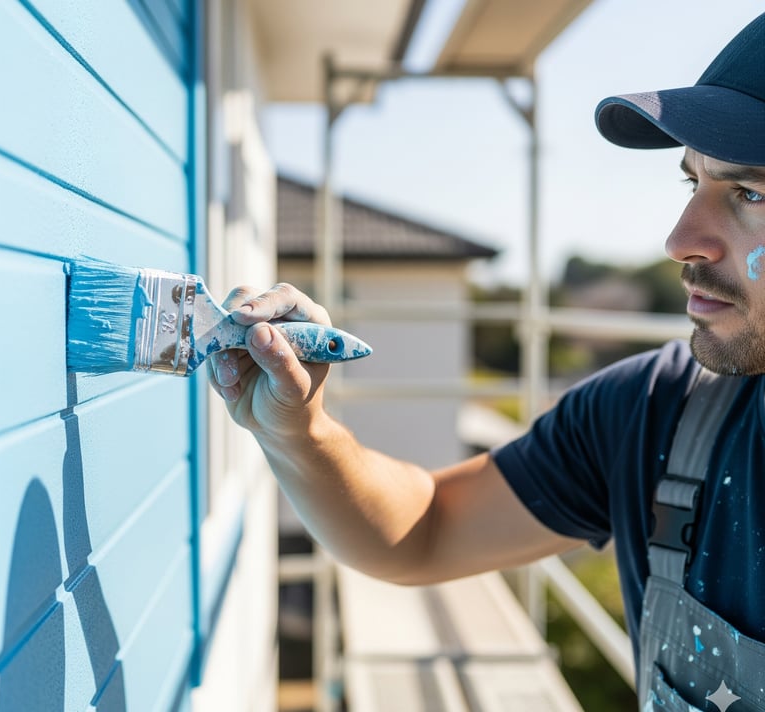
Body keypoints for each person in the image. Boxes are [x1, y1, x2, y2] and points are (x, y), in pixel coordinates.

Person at [208, 13, 765, 711]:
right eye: (692, 185)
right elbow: (427, 529)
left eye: (749, 193)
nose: (681, 239)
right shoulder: (661, 412)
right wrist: (299, 431)